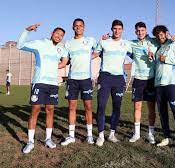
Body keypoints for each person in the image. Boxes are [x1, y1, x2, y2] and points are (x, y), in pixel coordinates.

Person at [16, 23, 68, 154]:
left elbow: (65, 60)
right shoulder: (40, 43)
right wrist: (26, 30)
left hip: (53, 85)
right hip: (39, 83)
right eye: (57, 33)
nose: (59, 36)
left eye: (61, 35)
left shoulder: (61, 49)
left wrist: (54, 66)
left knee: (50, 110)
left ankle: (48, 139)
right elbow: (20, 45)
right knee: (35, 110)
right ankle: (30, 142)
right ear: (52, 33)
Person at [94, 19, 132, 147]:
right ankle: (100, 135)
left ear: (122, 30)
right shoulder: (104, 41)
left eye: (119, 29)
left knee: (117, 107)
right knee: (101, 106)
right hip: (105, 77)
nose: (117, 31)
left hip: (118, 79)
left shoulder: (126, 44)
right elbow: (94, 54)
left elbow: (136, 55)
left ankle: (111, 134)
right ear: (111, 29)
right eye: (115, 28)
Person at [60, 18, 97, 146]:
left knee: (88, 107)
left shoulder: (90, 40)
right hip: (72, 80)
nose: (78, 27)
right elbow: (65, 60)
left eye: (80, 25)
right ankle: (71, 136)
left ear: (84, 27)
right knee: (72, 108)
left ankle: (90, 136)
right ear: (73, 27)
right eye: (76, 26)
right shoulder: (68, 44)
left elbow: (99, 51)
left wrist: (89, 57)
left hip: (86, 79)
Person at [152, 25, 175, 152]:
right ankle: (166, 137)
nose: (159, 36)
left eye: (161, 34)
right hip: (159, 85)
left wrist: (167, 59)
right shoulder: (158, 49)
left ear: (166, 33)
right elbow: (158, 66)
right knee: (162, 113)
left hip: (172, 83)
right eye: (157, 35)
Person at [127, 22, 158, 144]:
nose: (140, 33)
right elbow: (120, 44)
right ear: (135, 32)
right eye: (138, 31)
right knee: (137, 107)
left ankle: (151, 133)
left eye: (142, 30)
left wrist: (153, 56)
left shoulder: (153, 42)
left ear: (146, 31)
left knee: (151, 109)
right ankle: (137, 133)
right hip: (138, 79)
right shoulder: (132, 43)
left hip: (150, 79)